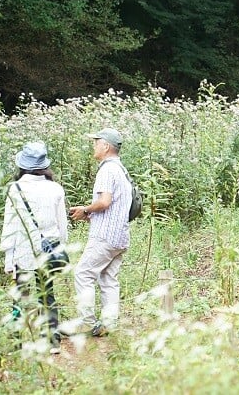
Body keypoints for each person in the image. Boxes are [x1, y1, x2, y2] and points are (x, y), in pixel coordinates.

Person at [0, 141, 69, 355]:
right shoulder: (56, 188)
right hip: (48, 250)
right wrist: (60, 249)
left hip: (22, 251)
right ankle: (52, 341)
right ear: (44, 165)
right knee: (47, 295)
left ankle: (16, 342)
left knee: (19, 295)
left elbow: (9, 226)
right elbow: (62, 225)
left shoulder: (15, 189)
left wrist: (8, 260)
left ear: (23, 165)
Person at [62, 128, 132, 337]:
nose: (93, 146)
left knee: (83, 273)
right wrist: (88, 213)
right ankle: (109, 324)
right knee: (109, 279)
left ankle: (88, 322)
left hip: (104, 236)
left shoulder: (107, 170)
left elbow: (104, 201)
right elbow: (115, 205)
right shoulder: (121, 170)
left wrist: (85, 209)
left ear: (105, 146)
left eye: (96, 142)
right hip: (120, 235)